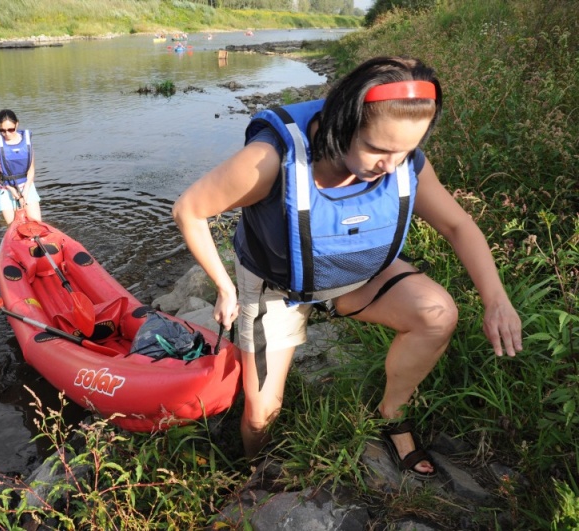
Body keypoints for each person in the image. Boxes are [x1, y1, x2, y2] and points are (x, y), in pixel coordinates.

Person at [172, 56, 522, 477]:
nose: (390, 166)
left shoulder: (402, 161)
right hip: (280, 287)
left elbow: (457, 224)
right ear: (343, 122)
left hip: (355, 276)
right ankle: (255, 476)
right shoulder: (271, 159)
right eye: (378, 149)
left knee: (437, 314)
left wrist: (496, 300)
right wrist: (225, 287)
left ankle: (392, 415)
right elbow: (189, 209)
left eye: (405, 150)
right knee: (261, 415)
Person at [0, 109, 42, 224]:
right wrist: (11, 189)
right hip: (5, 189)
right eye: (3, 130)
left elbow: (31, 170)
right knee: (14, 226)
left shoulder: (26, 142)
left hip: (26, 185)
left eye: (11, 129)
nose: (7, 134)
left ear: (17, 124)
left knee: (36, 223)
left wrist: (25, 193)